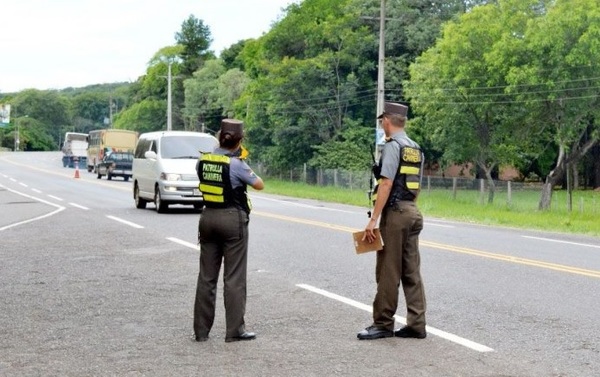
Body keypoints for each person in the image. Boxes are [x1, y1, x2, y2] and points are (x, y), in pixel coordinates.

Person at [357, 102, 427, 340]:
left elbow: (386, 183)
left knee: (388, 270)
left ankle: (383, 324)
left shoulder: (392, 146)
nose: (382, 125)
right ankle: (417, 324)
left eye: (381, 121)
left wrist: (373, 220)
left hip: (395, 214)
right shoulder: (415, 148)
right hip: (413, 211)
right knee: (411, 271)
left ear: (386, 120)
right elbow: (416, 185)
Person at [193, 118, 264, 343]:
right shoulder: (237, 164)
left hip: (207, 218)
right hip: (232, 220)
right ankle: (234, 331)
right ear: (239, 141)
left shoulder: (202, 161)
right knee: (234, 278)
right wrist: (242, 159)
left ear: (219, 137)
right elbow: (259, 184)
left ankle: (201, 332)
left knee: (206, 277)